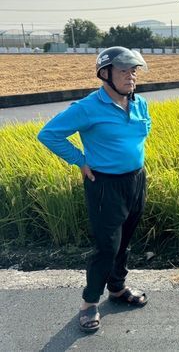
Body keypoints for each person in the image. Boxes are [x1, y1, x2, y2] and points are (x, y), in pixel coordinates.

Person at [38, 46, 152, 333]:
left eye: (133, 70)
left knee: (124, 240)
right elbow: (49, 134)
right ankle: (89, 303)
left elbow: (141, 132)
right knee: (107, 247)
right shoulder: (88, 107)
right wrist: (80, 160)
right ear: (105, 74)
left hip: (136, 180)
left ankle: (117, 289)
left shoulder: (139, 103)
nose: (131, 76)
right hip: (105, 185)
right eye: (124, 71)